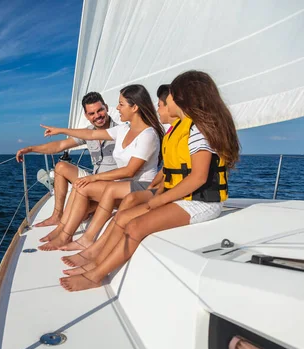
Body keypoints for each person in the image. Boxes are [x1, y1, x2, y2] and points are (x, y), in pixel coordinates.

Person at [59, 70, 240, 291]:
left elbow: (198, 177)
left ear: (185, 98)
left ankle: (96, 275)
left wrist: (157, 201)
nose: (162, 103)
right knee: (124, 216)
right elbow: (176, 168)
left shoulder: (199, 131)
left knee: (136, 226)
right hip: (182, 196)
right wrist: (158, 188)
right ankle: (96, 260)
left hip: (200, 202)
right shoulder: (181, 129)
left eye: (170, 96)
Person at [38, 84, 164, 251]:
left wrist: (93, 177)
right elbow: (90, 134)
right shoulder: (123, 129)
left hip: (140, 186)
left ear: (134, 107)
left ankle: (67, 235)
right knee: (81, 185)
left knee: (84, 186)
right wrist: (60, 130)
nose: (117, 108)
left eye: (121, 104)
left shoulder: (148, 134)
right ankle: (63, 231)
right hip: (123, 185)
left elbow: (130, 171)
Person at [15, 92, 118, 227]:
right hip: (95, 180)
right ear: (86, 116)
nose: (97, 116)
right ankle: (57, 215)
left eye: (100, 110)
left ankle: (99, 206)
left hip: (114, 185)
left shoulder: (121, 131)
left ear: (106, 108)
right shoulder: (87, 132)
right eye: (92, 113)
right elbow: (60, 145)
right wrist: (30, 149)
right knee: (61, 166)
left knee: (77, 215)